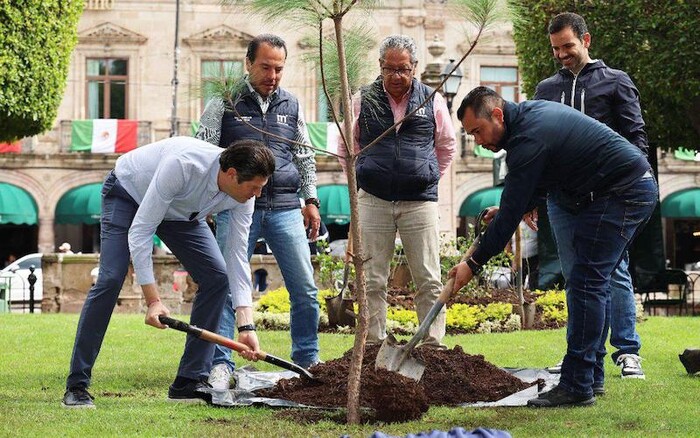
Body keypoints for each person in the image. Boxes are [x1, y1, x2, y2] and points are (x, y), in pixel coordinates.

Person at [450, 87, 657, 407]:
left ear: (497, 115)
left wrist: (471, 264)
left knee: (587, 281)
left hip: (623, 192)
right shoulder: (529, 121)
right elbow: (542, 181)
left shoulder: (528, 138)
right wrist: (510, 209)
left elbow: (508, 221)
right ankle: (589, 377)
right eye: (470, 135)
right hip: (621, 190)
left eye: (477, 131)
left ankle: (577, 385)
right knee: (591, 283)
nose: (477, 141)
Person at [61, 137, 275, 408]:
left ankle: (189, 380)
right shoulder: (183, 165)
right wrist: (153, 300)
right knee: (111, 278)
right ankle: (77, 385)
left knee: (217, 279)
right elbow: (141, 231)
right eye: (254, 188)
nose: (257, 194)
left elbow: (236, 255)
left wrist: (246, 324)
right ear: (232, 175)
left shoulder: (244, 197)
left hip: (182, 214)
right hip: (129, 194)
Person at [196, 34, 322, 390]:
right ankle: (221, 363)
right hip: (234, 207)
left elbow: (305, 155)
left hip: (284, 206)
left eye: (279, 68)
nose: (273, 75)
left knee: (305, 289)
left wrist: (310, 199)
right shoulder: (223, 102)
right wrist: (206, 203)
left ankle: (307, 360)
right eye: (265, 66)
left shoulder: (292, 105)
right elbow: (203, 150)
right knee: (223, 288)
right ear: (248, 63)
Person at [534, 12, 649, 380]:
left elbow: (635, 137)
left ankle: (627, 351)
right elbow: (539, 149)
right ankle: (582, 354)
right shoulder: (545, 90)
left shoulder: (616, 82)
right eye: (555, 49)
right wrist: (535, 197)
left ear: (586, 40)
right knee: (575, 277)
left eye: (568, 46)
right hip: (563, 200)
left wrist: (632, 185)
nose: (562, 54)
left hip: (608, 197)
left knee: (614, 272)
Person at [338, 35, 456, 346]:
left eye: (403, 69)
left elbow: (446, 146)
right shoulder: (362, 99)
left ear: (414, 68)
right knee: (372, 279)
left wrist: (428, 176)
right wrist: (360, 182)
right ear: (380, 67)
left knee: (428, 278)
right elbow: (345, 148)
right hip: (373, 200)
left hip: (420, 203)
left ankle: (433, 343)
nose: (396, 76)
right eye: (390, 69)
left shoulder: (433, 100)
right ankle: (374, 343)